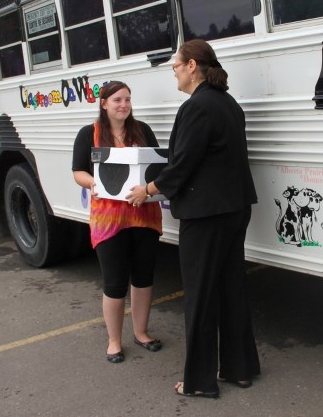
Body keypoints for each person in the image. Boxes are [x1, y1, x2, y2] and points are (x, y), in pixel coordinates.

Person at [128, 39, 260, 398]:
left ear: (192, 66)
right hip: (235, 209)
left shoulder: (197, 106)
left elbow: (182, 164)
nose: (173, 70)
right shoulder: (229, 104)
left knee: (200, 296)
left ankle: (200, 382)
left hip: (206, 215)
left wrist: (148, 189)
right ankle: (239, 368)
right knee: (232, 289)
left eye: (175, 64)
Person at [72, 80, 163, 363]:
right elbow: (78, 171)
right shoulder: (90, 134)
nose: (123, 105)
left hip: (143, 216)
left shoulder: (142, 130)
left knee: (143, 277)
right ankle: (114, 341)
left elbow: (157, 164)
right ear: (104, 104)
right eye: (117, 100)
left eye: (127, 99)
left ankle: (141, 332)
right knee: (114, 282)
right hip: (109, 219)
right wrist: (94, 184)